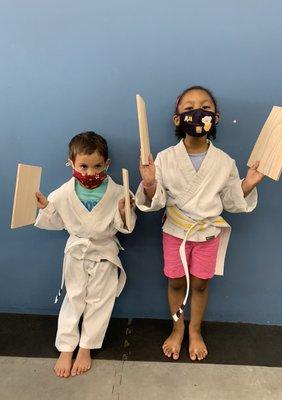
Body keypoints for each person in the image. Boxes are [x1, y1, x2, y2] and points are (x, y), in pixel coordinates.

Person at [136, 86, 264, 361]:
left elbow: (231, 201)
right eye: (189, 108)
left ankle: (195, 330)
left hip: (207, 233)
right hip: (175, 231)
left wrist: (248, 183)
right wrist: (148, 183)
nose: (197, 113)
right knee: (175, 282)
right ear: (177, 119)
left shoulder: (224, 162)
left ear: (215, 118)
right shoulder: (165, 158)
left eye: (205, 108)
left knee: (202, 285)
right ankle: (177, 327)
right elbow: (155, 200)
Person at [35, 131, 136, 377]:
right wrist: (46, 207)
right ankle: (66, 347)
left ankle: (86, 346)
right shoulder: (62, 193)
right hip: (76, 252)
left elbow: (126, 227)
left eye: (97, 166)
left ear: (107, 164)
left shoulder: (118, 193)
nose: (90, 173)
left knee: (100, 302)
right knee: (74, 298)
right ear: (71, 164)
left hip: (104, 252)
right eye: (83, 166)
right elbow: (57, 222)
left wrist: (124, 210)